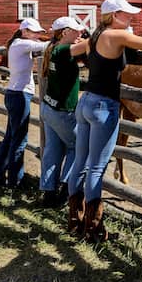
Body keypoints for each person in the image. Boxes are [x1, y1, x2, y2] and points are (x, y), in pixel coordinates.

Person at [67, 0, 142, 242]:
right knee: (97, 167)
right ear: (114, 15)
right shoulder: (116, 36)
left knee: (80, 161)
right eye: (126, 14)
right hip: (103, 105)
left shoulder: (94, 38)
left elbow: (71, 51)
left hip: (86, 101)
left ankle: (74, 219)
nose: (131, 18)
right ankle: (94, 228)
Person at [0, 17, 49, 192]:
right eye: (34, 33)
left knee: (10, 137)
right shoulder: (23, 44)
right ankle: (15, 181)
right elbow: (45, 46)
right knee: (19, 140)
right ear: (25, 32)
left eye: (39, 33)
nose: (37, 36)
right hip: (20, 95)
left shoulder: (17, 43)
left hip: (14, 93)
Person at [37, 16, 88, 208]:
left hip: (49, 106)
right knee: (79, 147)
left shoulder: (53, 48)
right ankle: (66, 190)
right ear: (65, 32)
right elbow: (93, 43)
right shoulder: (64, 49)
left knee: (53, 149)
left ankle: (48, 193)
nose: (80, 33)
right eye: (76, 30)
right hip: (63, 110)